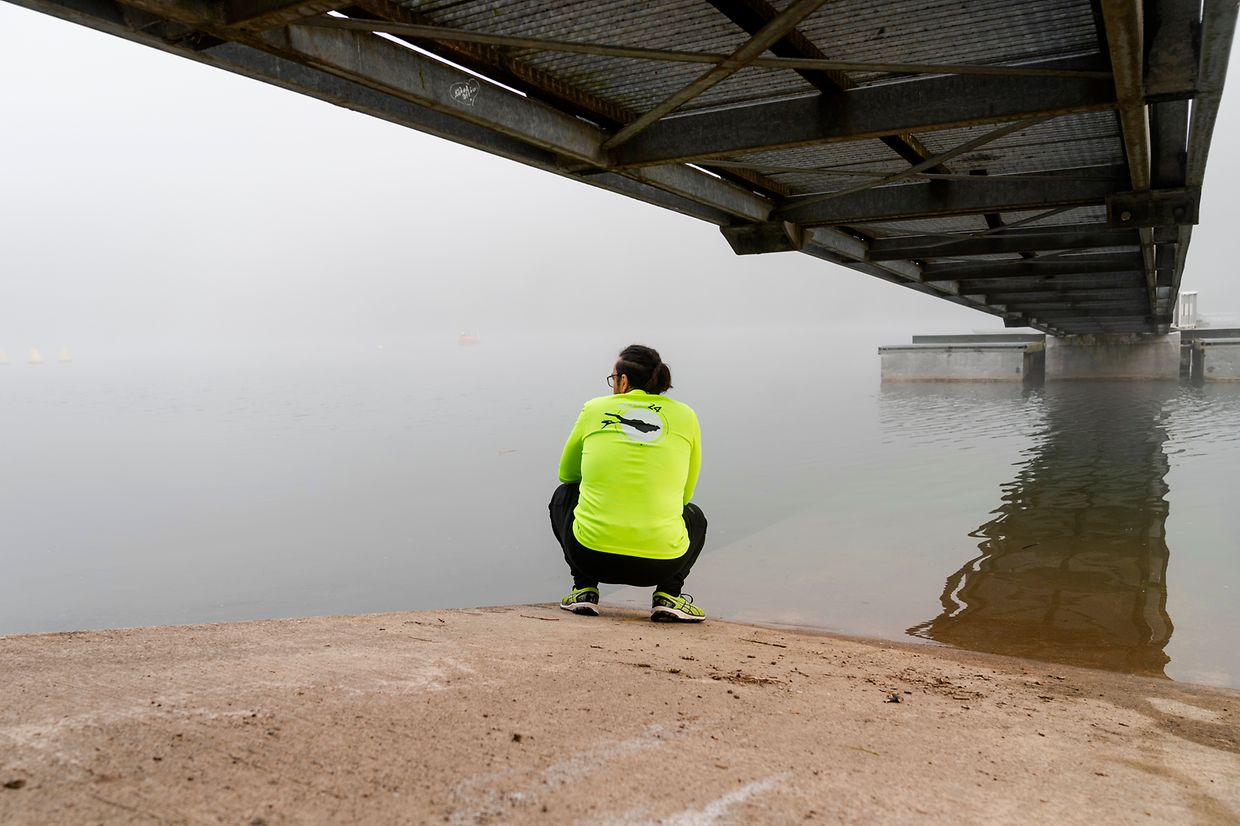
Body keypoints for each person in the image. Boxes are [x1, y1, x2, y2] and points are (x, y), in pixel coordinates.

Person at [549, 344, 708, 622]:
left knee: (564, 495)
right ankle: (669, 596)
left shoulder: (594, 409)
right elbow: (685, 495)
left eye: (613, 379)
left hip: (590, 555)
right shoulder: (686, 416)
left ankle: (584, 590)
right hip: (662, 564)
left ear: (623, 381)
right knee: (694, 516)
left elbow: (567, 474)